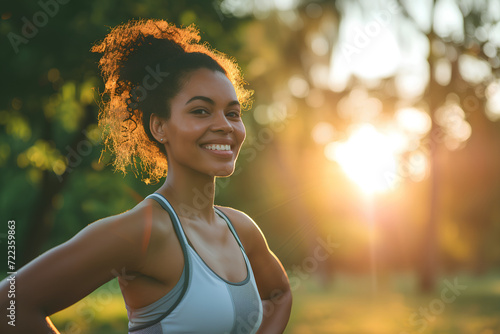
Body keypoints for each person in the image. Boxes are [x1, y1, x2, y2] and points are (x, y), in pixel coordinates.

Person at [0, 19, 292, 333]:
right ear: (159, 127)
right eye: (201, 111)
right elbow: (10, 304)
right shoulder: (143, 232)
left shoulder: (242, 229)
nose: (225, 125)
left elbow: (279, 294)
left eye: (232, 113)